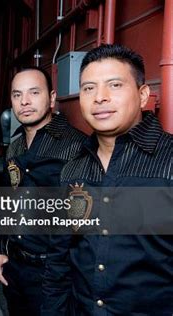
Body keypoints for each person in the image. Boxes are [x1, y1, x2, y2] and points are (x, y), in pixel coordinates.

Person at [42, 44, 173, 315]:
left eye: (114, 85)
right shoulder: (72, 170)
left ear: (143, 94)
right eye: (88, 88)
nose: (99, 97)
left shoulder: (168, 162)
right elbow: (59, 261)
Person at [0, 66, 86, 315]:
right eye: (17, 94)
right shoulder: (15, 146)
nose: (25, 101)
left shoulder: (77, 147)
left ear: (52, 97)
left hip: (57, 276)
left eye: (34, 92)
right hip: (15, 269)